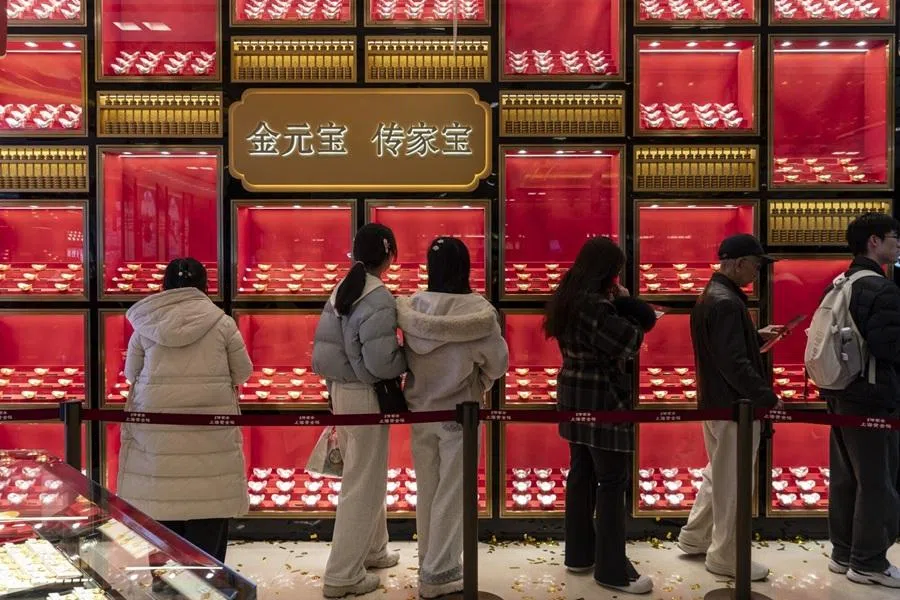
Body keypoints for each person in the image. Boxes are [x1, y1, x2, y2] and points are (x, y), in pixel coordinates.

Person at [395, 237, 509, 599]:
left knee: (428, 489)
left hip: (420, 411)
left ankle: (429, 560)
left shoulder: (414, 307)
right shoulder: (477, 311)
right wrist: (481, 380)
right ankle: (439, 574)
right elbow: (498, 363)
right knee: (453, 493)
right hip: (460, 411)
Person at [543, 236, 657, 595]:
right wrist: (627, 305)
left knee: (581, 474)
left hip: (572, 394)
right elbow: (630, 343)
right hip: (602, 397)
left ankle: (579, 553)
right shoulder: (596, 307)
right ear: (608, 272)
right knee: (611, 482)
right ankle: (612, 570)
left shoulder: (567, 298)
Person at [119, 257, 252, 562]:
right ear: (205, 287)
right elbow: (243, 372)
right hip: (211, 444)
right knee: (208, 533)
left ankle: (166, 593)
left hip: (157, 445)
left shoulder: (145, 326)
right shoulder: (222, 323)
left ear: (164, 286)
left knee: (161, 530)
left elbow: (130, 374)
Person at [312, 223, 408, 599]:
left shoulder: (342, 290)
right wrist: (407, 360)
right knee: (362, 485)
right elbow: (382, 362)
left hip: (340, 393)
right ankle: (342, 575)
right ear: (390, 256)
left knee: (367, 476)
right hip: (365, 396)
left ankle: (374, 550)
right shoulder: (379, 297)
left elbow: (323, 352)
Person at [676, 233, 779, 581]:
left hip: (716, 401)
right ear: (737, 263)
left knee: (719, 472)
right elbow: (734, 363)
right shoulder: (727, 303)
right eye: (755, 264)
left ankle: (695, 536)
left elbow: (724, 352)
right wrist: (767, 398)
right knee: (733, 480)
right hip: (734, 406)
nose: (757, 272)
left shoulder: (715, 295)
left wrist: (755, 336)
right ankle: (727, 557)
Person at [819, 213, 900, 587]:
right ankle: (867, 562)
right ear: (873, 242)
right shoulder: (881, 289)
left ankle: (843, 552)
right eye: (892, 238)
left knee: (847, 476)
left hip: (839, 392)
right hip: (870, 397)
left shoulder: (840, 283)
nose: (897, 244)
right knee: (877, 480)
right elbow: (888, 347)